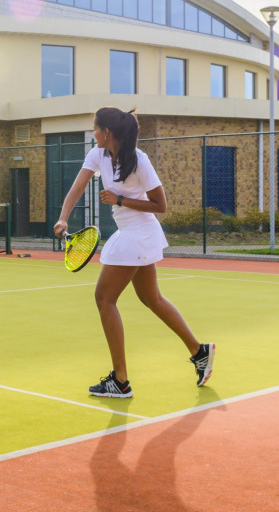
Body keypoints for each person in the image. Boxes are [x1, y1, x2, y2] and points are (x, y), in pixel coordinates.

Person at [54, 107, 214, 397]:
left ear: (108, 132)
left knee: (104, 298)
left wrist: (120, 199)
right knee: (151, 298)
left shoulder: (140, 161)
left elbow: (160, 205)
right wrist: (63, 217)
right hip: (134, 235)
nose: (93, 133)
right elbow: (77, 188)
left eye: (95, 128)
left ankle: (120, 380)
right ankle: (199, 351)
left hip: (138, 233)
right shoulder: (97, 155)